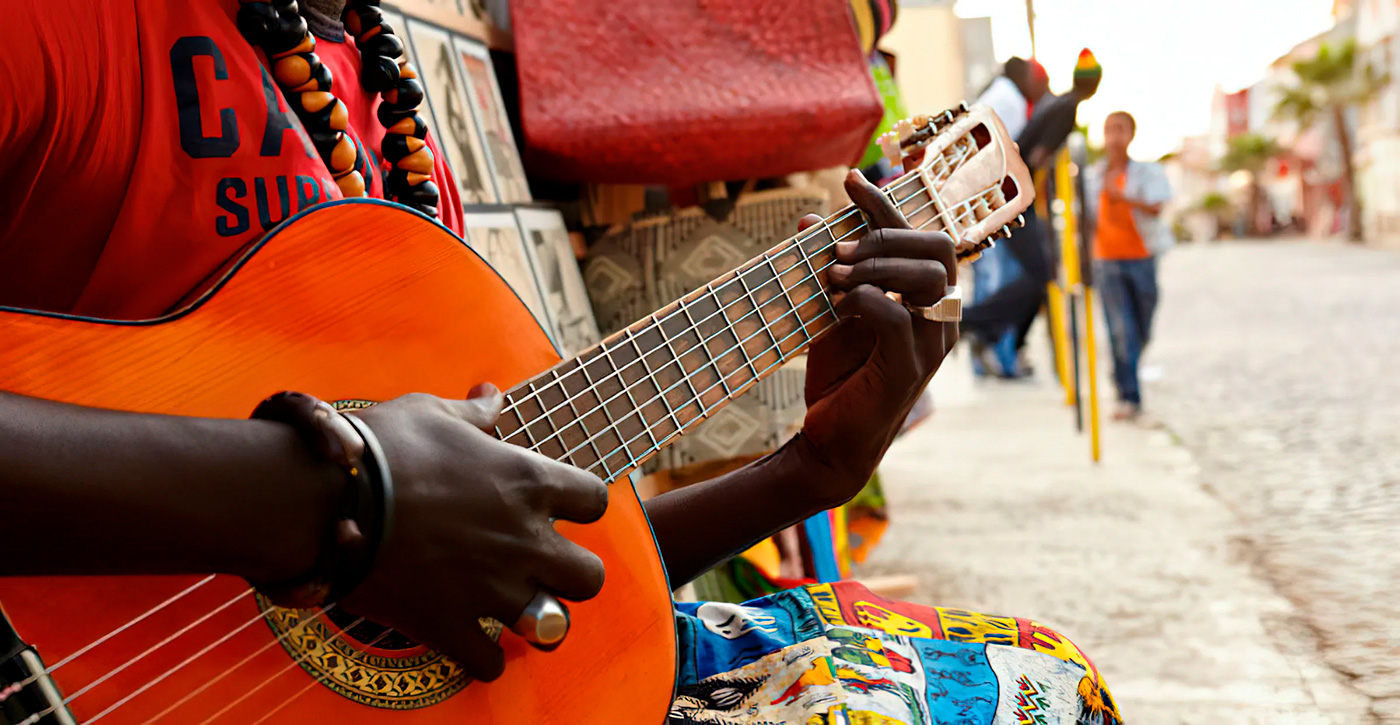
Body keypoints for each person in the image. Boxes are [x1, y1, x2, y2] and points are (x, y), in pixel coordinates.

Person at [0, 3, 1123, 722]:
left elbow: (481, 551)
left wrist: (805, 470)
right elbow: (383, 513)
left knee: (1040, 683)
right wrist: (334, 493)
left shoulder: (364, 74)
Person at [962, 49, 1104, 378]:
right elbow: (1038, 157)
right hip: (1016, 201)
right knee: (1042, 277)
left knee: (1042, 280)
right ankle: (973, 322)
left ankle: (987, 329)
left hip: (1015, 199)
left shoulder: (1059, 103)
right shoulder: (1066, 108)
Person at [1083, 111, 1172, 422]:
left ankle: (1125, 373)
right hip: (1106, 261)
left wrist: (1126, 198)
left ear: (1131, 134)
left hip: (1142, 257)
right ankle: (1129, 395)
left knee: (1142, 328)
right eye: (1109, 130)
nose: (1114, 136)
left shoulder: (1147, 173)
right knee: (1121, 330)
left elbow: (1159, 206)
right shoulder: (1092, 176)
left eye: (1120, 129)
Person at [968, 57, 1049, 377]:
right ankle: (989, 345)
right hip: (996, 201)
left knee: (998, 278)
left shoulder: (1000, 96)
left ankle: (989, 347)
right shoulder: (1010, 100)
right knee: (1003, 278)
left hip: (989, 200)